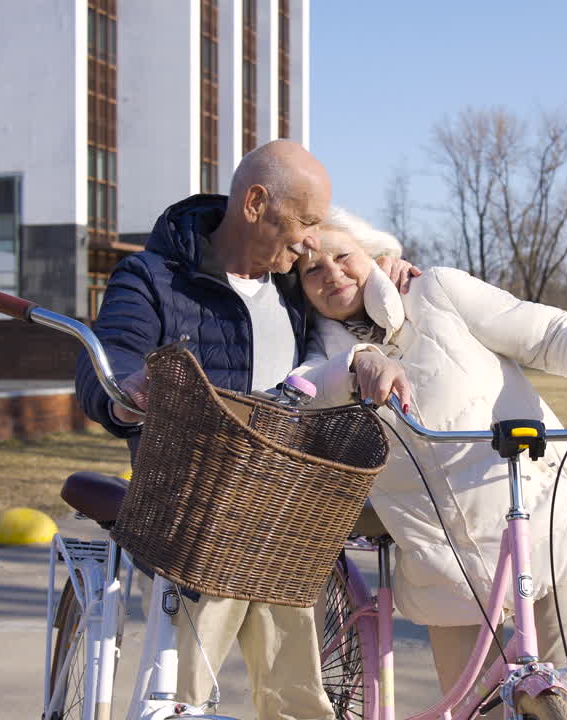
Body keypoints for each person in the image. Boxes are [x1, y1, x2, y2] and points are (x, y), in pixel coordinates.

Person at [74, 140, 412, 719]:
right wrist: (133, 392)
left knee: (300, 692)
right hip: (194, 505)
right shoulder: (154, 278)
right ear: (255, 203)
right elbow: (110, 357)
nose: (310, 240)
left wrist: (390, 272)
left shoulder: (291, 284)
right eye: (304, 221)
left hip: (280, 511)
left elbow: (343, 319)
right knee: (186, 688)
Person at [292, 208, 567, 720]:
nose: (331, 273)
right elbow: (306, 393)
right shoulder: (321, 356)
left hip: (540, 519)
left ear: (374, 255)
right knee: (471, 710)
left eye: (342, 256)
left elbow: (544, 333)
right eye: (312, 270)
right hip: (441, 562)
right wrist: (358, 363)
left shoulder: (435, 291)